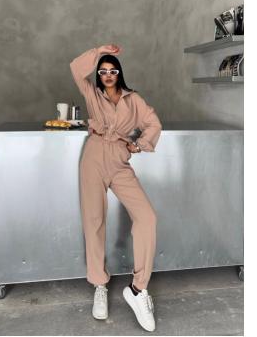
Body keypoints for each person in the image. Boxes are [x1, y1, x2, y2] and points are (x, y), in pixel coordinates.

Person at [69, 44, 162, 332]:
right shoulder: (91, 93)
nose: (108, 75)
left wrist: (140, 145)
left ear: (119, 73)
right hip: (94, 157)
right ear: (98, 75)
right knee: (94, 220)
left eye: (112, 71)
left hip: (120, 161)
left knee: (147, 217)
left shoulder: (134, 100)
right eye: (103, 71)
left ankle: (138, 288)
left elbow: (153, 123)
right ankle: (99, 284)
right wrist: (98, 51)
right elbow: (75, 68)